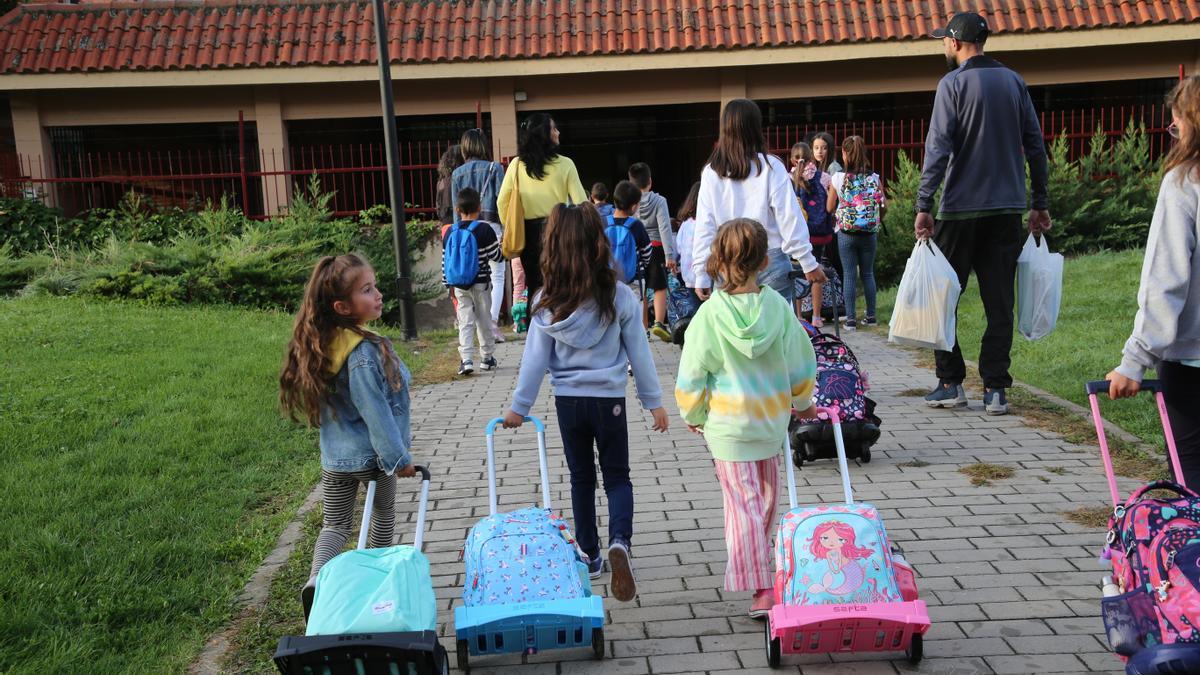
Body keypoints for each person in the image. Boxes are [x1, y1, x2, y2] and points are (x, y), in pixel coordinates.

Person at [502, 202, 669, 603]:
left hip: (568, 403)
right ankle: (620, 543)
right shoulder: (620, 296)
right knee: (617, 476)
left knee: (580, 477)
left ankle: (590, 554)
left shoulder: (546, 301)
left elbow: (533, 362)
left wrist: (518, 408)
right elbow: (640, 354)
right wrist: (654, 402)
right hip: (610, 400)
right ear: (599, 243)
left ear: (553, 247)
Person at [674, 218, 817, 618]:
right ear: (765, 261)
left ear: (717, 261)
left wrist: (694, 411)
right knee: (766, 503)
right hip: (769, 426)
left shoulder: (709, 316)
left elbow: (692, 372)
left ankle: (761, 586)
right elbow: (801, 360)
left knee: (746, 508)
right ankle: (764, 582)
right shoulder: (778, 309)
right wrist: (804, 403)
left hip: (728, 430)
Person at [914, 11, 1052, 415]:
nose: (943, 44)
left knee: (944, 299)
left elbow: (937, 148)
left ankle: (950, 382)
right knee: (998, 302)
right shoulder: (1013, 82)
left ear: (956, 42)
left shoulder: (952, 84)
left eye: (944, 39)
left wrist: (924, 204)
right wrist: (1039, 201)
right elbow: (1035, 146)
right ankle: (995, 389)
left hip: (959, 209)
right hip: (1006, 208)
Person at [279, 253, 418, 618]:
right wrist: (399, 459)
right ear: (342, 306)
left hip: (336, 459)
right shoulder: (363, 353)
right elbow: (376, 412)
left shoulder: (325, 344)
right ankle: (375, 582)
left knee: (335, 524)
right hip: (373, 459)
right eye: (367, 290)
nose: (378, 295)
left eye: (375, 287)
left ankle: (316, 581)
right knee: (383, 515)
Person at [1106, 76, 1200, 486]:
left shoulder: (1186, 182)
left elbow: (1167, 276)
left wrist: (1135, 360)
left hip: (1192, 361)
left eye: (1176, 123)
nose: (1174, 132)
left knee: (1191, 472)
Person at [691, 99, 825, 303]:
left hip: (728, 262)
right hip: (769, 258)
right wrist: (807, 261)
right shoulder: (772, 166)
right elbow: (789, 217)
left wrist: (700, 272)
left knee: (732, 332)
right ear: (756, 127)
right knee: (777, 330)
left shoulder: (711, 172)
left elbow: (705, 226)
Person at [497, 113, 589, 298]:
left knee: (535, 288)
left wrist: (512, 225)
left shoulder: (516, 165)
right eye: (554, 128)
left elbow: (502, 202)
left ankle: (534, 326)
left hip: (528, 234)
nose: (558, 132)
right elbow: (582, 204)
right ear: (545, 135)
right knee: (561, 286)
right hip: (560, 231)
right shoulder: (566, 164)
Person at [452, 129, 507, 343]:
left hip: (467, 229)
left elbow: (456, 208)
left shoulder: (457, 173)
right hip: (491, 226)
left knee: (472, 276)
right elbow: (502, 202)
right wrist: (506, 229)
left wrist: (457, 233)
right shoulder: (495, 168)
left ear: (465, 147)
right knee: (497, 275)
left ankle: (473, 325)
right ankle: (491, 323)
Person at [827, 136, 886, 330]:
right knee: (868, 273)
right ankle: (871, 317)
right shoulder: (874, 178)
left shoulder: (837, 178)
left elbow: (829, 207)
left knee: (850, 274)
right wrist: (875, 219)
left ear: (844, 154)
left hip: (846, 233)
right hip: (869, 233)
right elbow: (883, 205)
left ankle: (850, 320)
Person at [443, 188, 502, 376]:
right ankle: (487, 358)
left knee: (465, 321)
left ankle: (466, 360)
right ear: (479, 207)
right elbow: (497, 257)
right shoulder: (485, 229)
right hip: (481, 283)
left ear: (457, 209)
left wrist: (447, 285)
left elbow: (445, 261)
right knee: (484, 320)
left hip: (459, 285)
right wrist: (504, 248)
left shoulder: (450, 231)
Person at [629, 162, 678, 342]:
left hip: (638, 249)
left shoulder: (630, 202)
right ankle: (658, 322)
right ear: (650, 181)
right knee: (659, 287)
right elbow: (665, 227)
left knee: (641, 289)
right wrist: (669, 255)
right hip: (657, 247)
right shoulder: (659, 201)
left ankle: (643, 329)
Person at [791, 141, 835, 326]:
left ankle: (799, 315)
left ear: (793, 160)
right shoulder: (824, 177)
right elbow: (829, 205)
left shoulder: (788, 177)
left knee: (798, 271)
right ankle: (817, 317)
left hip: (799, 233)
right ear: (811, 157)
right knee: (815, 269)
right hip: (819, 233)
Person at [609, 180, 654, 288]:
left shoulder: (603, 223)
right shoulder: (636, 225)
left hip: (608, 282)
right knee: (635, 305)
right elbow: (647, 254)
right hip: (634, 281)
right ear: (633, 207)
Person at [676, 181, 702, 289]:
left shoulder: (685, 224)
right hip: (707, 278)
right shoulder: (708, 224)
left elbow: (679, 248)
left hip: (688, 278)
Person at [436, 144, 464, 227]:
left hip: (445, 223)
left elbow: (438, 206)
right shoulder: (459, 179)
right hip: (460, 222)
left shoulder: (441, 182)